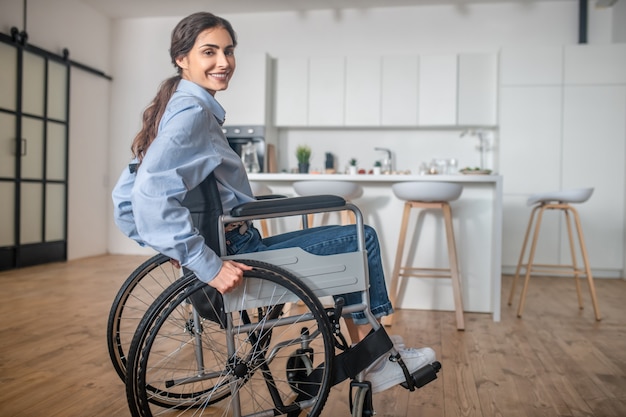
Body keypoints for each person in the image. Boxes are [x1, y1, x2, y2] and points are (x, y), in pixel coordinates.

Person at [111, 11, 435, 394]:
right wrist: (202, 261)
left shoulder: (175, 108)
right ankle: (378, 360)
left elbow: (124, 202)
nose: (224, 62)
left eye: (229, 52)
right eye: (209, 52)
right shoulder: (193, 113)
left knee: (347, 240)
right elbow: (148, 195)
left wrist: (176, 248)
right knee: (360, 237)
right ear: (182, 59)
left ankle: (374, 355)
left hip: (228, 243)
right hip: (241, 253)